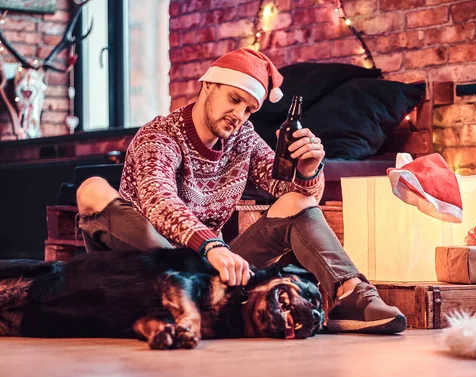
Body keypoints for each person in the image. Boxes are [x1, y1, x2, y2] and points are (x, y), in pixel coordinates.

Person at [76, 48, 406, 335]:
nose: (239, 115)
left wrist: (308, 170)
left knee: (296, 201)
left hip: (209, 271)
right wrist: (212, 247)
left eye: (249, 108)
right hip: (152, 264)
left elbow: (295, 195)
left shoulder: (242, 138)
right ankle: (175, 302)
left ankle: (350, 294)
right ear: (208, 85)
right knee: (92, 189)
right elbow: (159, 201)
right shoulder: (160, 136)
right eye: (234, 99)